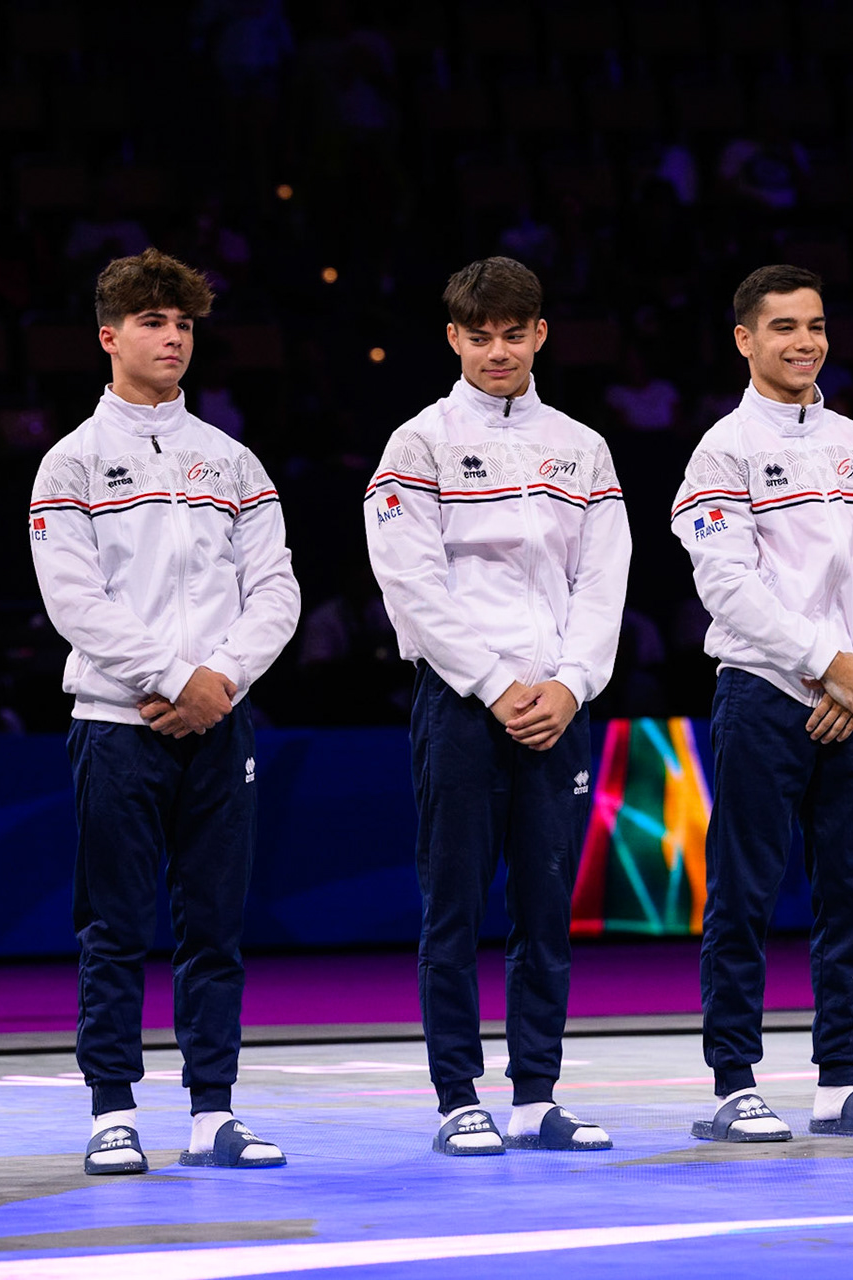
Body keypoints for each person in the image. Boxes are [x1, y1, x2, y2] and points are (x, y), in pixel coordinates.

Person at [29, 249, 300, 1174]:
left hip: (220, 723)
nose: (173, 336)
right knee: (113, 925)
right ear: (110, 337)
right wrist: (175, 676)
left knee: (214, 924)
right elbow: (75, 600)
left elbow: (276, 591)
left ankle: (211, 1110)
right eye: (151, 322)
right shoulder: (71, 462)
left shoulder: (231, 459)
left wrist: (216, 680)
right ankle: (112, 1109)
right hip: (117, 726)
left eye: (183, 323)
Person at [364, 257, 631, 1156]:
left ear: (540, 335)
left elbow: (604, 581)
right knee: (454, 905)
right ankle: (456, 1096)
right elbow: (411, 584)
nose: (498, 351)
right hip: (462, 703)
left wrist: (568, 683)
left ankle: (536, 1094)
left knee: (548, 906)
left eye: (514, 334)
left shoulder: (582, 448)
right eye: (480, 336)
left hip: (559, 704)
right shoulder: (418, 442)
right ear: (453, 337)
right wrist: (495, 683)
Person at [671, 266, 853, 1144]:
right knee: (743, 895)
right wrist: (826, 664)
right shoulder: (721, 451)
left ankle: (839, 1082)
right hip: (766, 692)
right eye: (782, 327)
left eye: (814, 324)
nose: (803, 341)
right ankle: (733, 1082)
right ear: (744, 340)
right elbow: (728, 586)